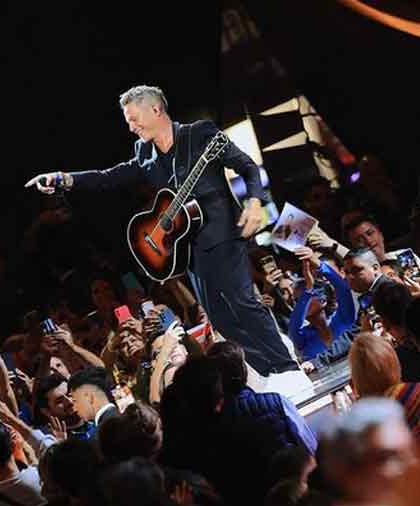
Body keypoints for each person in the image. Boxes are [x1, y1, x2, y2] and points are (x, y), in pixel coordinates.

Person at [25, 85, 299, 379]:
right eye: (127, 121)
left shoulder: (200, 134)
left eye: (133, 118)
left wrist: (255, 201)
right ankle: (268, 371)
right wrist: (64, 179)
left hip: (221, 234)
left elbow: (247, 167)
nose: (130, 127)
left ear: (156, 109)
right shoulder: (143, 151)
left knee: (243, 302)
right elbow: (108, 177)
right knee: (219, 317)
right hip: (186, 248)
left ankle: (287, 367)